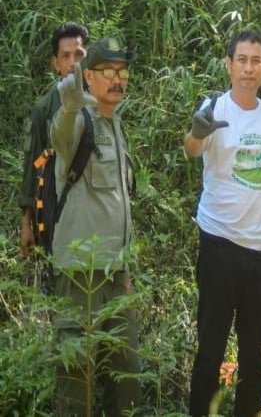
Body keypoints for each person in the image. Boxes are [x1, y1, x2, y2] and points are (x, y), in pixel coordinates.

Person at [185, 30, 261, 417]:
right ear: (229, 65)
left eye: (256, 61)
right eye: (241, 60)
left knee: (254, 356)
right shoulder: (213, 108)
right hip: (218, 246)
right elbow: (192, 148)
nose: (248, 68)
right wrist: (197, 132)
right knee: (211, 351)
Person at [50, 38, 140, 416]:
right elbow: (60, 135)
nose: (116, 80)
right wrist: (70, 107)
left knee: (128, 383)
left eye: (122, 72)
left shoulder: (116, 126)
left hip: (117, 278)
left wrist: (128, 272)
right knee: (76, 389)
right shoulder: (79, 121)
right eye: (108, 72)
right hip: (80, 279)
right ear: (89, 77)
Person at [19, 21, 89, 261]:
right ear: (56, 64)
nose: (73, 63)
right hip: (56, 205)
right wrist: (26, 223)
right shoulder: (44, 109)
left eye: (78, 54)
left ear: (88, 57)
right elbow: (33, 164)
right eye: (65, 56)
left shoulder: (102, 103)